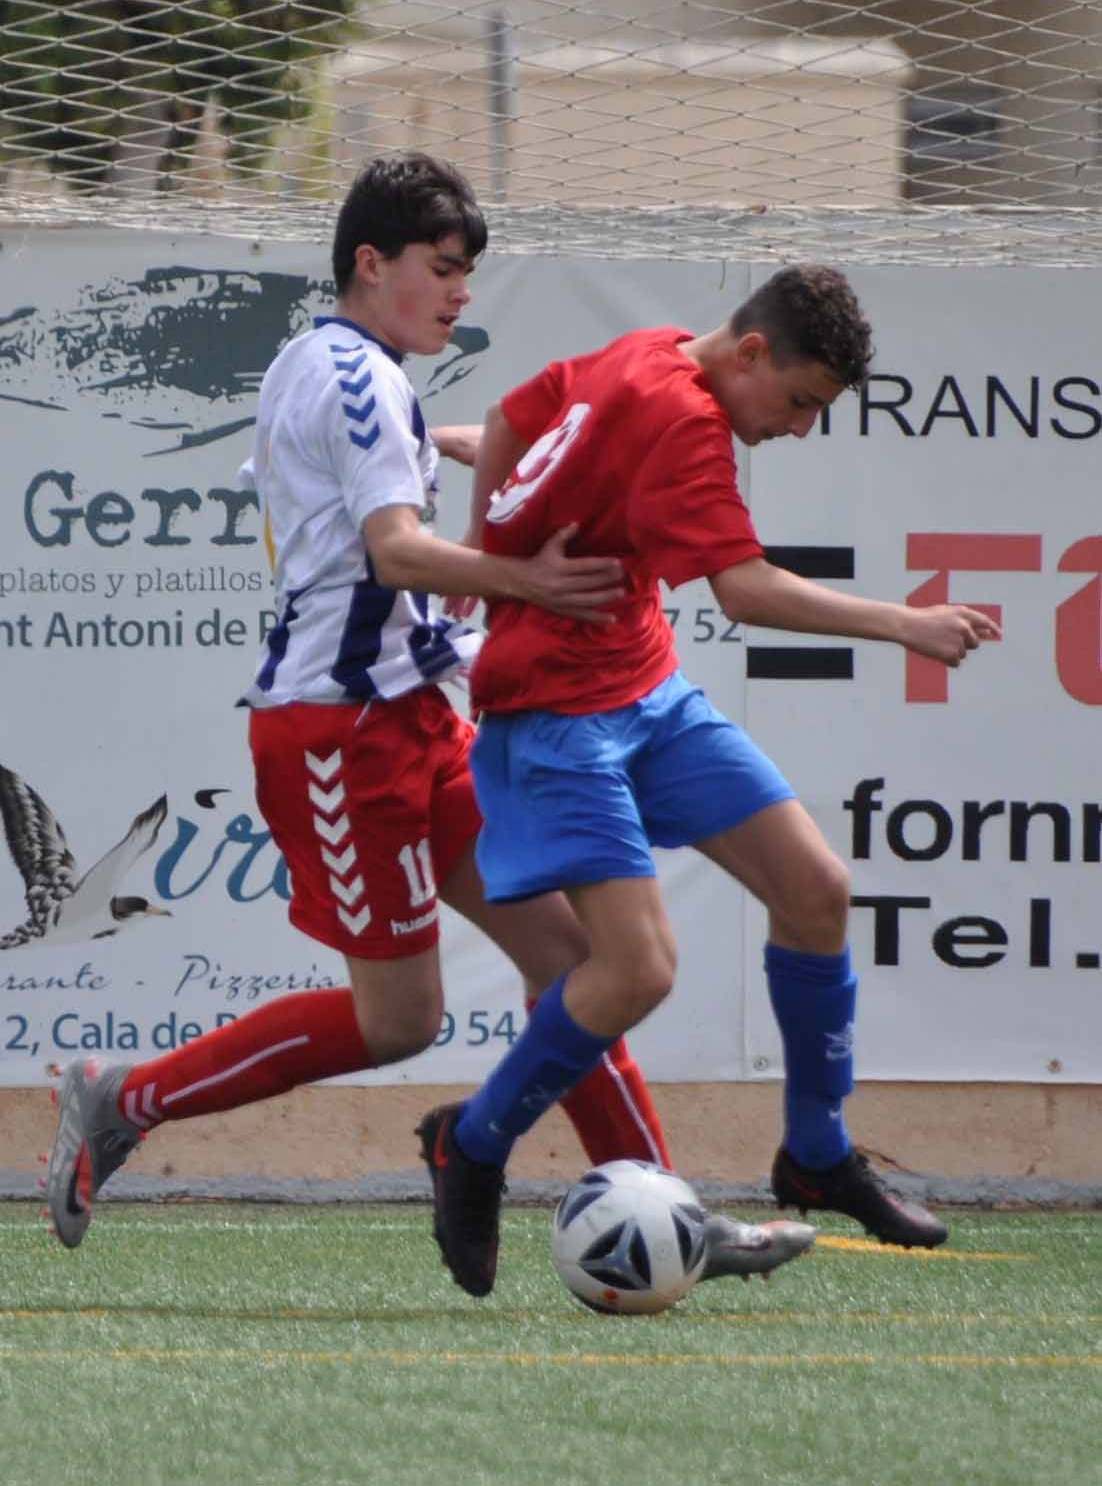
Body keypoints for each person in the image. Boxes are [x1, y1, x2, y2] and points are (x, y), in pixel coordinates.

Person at [43, 152, 813, 1285]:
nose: (460, 292)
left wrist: (461, 568)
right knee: (400, 1019)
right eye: (442, 269)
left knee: (575, 965)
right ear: (371, 262)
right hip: (334, 740)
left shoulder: (353, 366)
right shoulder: (354, 377)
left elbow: (372, 551)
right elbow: (392, 549)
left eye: (467, 273)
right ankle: (123, 1099)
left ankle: (674, 1214)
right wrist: (526, 586)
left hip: (410, 717)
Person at [417, 264, 1003, 1298]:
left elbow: (509, 416)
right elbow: (741, 590)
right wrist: (904, 622)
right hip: (555, 714)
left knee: (816, 890)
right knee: (636, 967)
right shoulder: (683, 417)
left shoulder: (651, 344)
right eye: (800, 402)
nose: (798, 427)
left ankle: (815, 1152)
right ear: (748, 354)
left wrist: (497, 519)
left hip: (644, 688)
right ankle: (471, 1141)